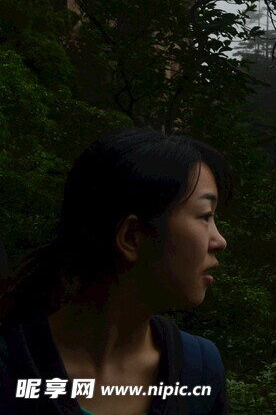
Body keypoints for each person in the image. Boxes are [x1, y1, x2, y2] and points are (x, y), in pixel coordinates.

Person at [0, 128, 233, 414]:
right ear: (132, 237)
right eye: (205, 216)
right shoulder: (10, 367)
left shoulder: (200, 369)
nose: (219, 241)